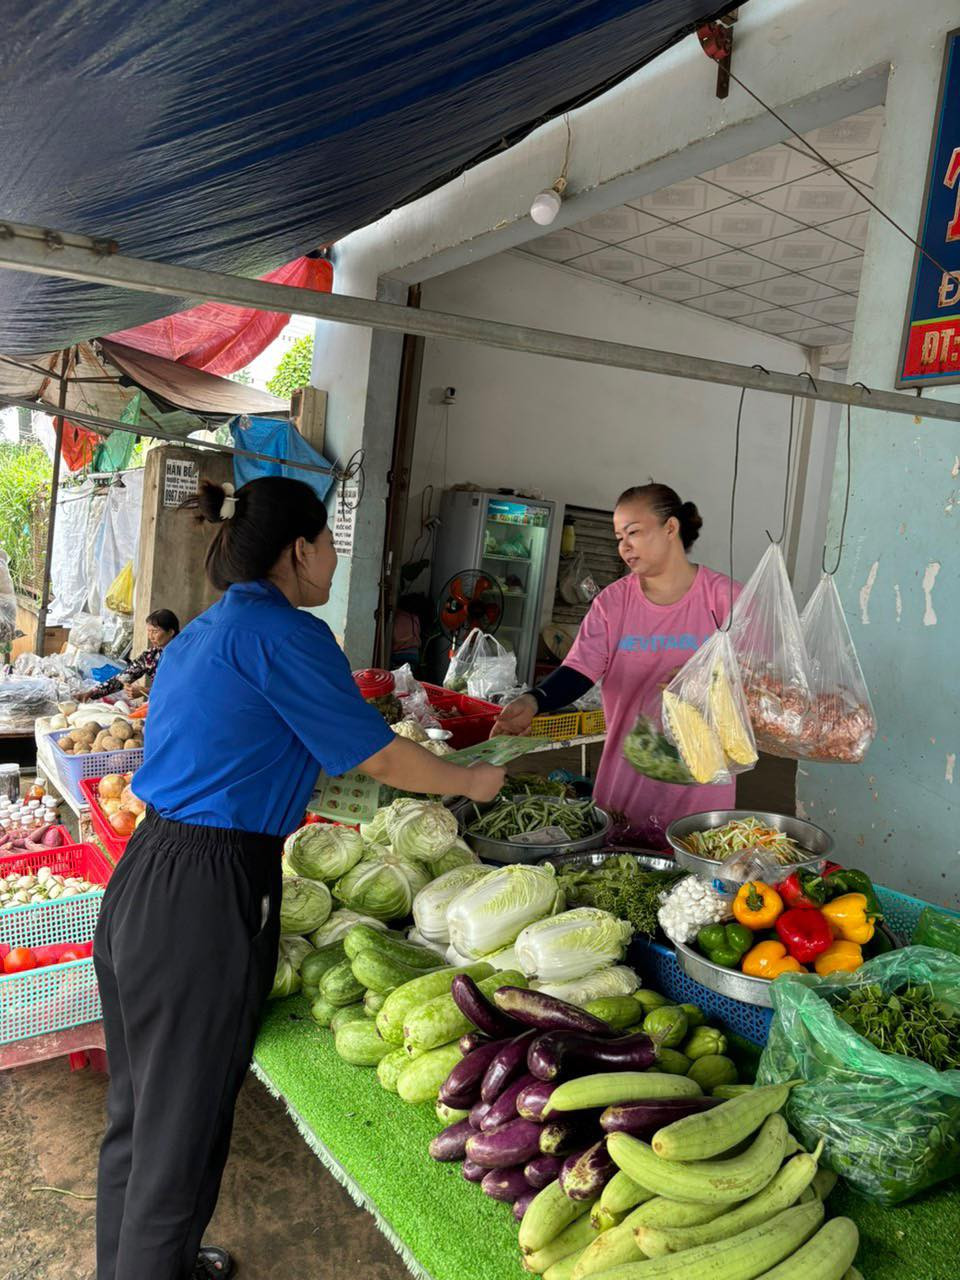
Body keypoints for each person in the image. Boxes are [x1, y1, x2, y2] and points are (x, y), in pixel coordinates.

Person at [93, 476, 504, 1280]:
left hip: (146, 873)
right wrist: (473, 781)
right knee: (182, 1127)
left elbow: (247, 745)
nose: (334, 560)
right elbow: (380, 754)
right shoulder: (289, 634)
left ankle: (146, 1264)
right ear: (299, 549)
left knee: (140, 1115)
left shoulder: (205, 633)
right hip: (209, 893)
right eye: (329, 543)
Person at [494, 483, 740, 848]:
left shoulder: (725, 598)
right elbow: (580, 669)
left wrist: (706, 681)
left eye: (635, 532)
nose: (624, 546)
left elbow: (757, 677)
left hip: (700, 787)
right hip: (627, 780)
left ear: (670, 528)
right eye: (619, 536)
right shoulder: (613, 602)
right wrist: (534, 701)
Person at [79, 609, 180, 702]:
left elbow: (181, 688)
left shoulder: (185, 656)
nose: (150, 636)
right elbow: (123, 678)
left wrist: (146, 691)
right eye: (149, 631)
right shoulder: (150, 657)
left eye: (155, 632)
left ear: (171, 632)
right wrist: (91, 693)